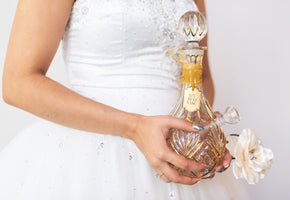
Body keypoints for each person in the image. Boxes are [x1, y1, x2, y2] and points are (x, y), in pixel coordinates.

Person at [0, 0, 251, 199]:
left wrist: (199, 128)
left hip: (176, 156)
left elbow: (201, 75)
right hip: (91, 158)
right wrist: (135, 127)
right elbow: (18, 82)